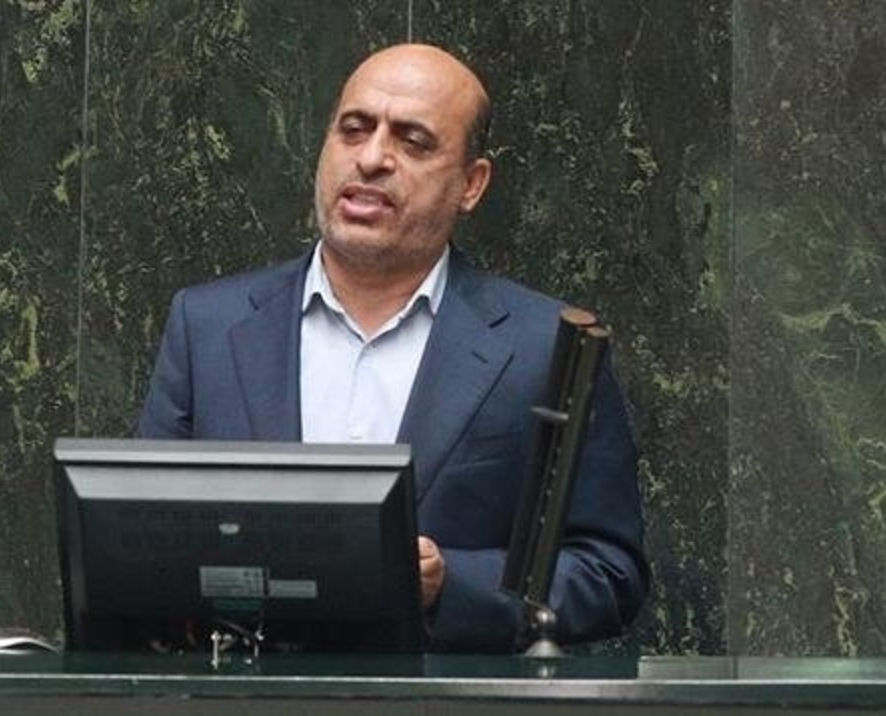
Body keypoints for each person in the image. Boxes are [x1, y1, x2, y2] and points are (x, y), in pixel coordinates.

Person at [137, 43, 647, 652]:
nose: (372, 158)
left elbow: (609, 572)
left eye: (413, 141)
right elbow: (139, 541)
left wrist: (449, 583)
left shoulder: (542, 346)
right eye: (353, 129)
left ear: (471, 184)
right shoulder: (209, 326)